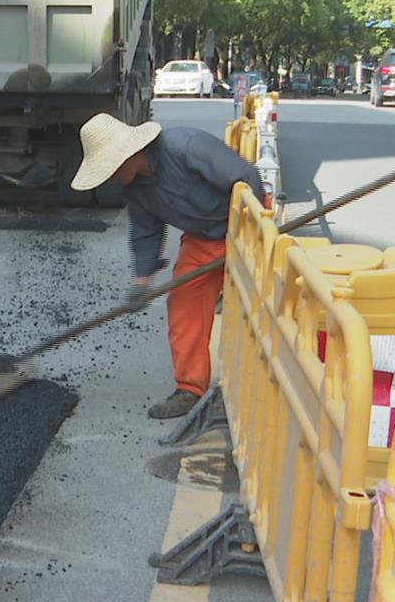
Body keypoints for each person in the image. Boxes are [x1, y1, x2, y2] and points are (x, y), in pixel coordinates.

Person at [69, 112, 265, 420]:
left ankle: (260, 390)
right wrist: (141, 281)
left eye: (111, 167)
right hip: (203, 240)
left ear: (129, 153)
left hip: (246, 231)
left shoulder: (186, 148)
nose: (111, 175)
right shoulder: (136, 187)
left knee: (258, 314)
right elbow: (146, 231)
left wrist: (249, 236)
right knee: (183, 302)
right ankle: (190, 388)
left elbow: (246, 180)